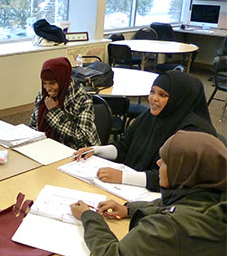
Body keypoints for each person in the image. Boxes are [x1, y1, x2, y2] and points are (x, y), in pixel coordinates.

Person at [66, 130, 226, 256]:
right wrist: (130, 209)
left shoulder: (173, 228)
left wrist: (88, 217)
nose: (158, 163)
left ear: (185, 172)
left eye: (165, 161)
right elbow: (172, 205)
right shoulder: (214, 197)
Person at [73, 70, 216, 192]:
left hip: (163, 198)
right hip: (132, 188)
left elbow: (174, 177)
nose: (153, 99)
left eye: (163, 95)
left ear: (179, 99)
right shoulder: (152, 116)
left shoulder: (193, 132)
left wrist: (123, 177)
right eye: (152, 92)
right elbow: (124, 147)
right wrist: (96, 150)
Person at [29, 57, 100, 149]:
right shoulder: (42, 95)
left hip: (79, 152)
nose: (48, 88)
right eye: (44, 83)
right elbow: (33, 126)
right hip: (47, 149)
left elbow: (80, 137)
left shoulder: (82, 98)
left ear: (63, 80)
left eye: (52, 83)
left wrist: (54, 112)